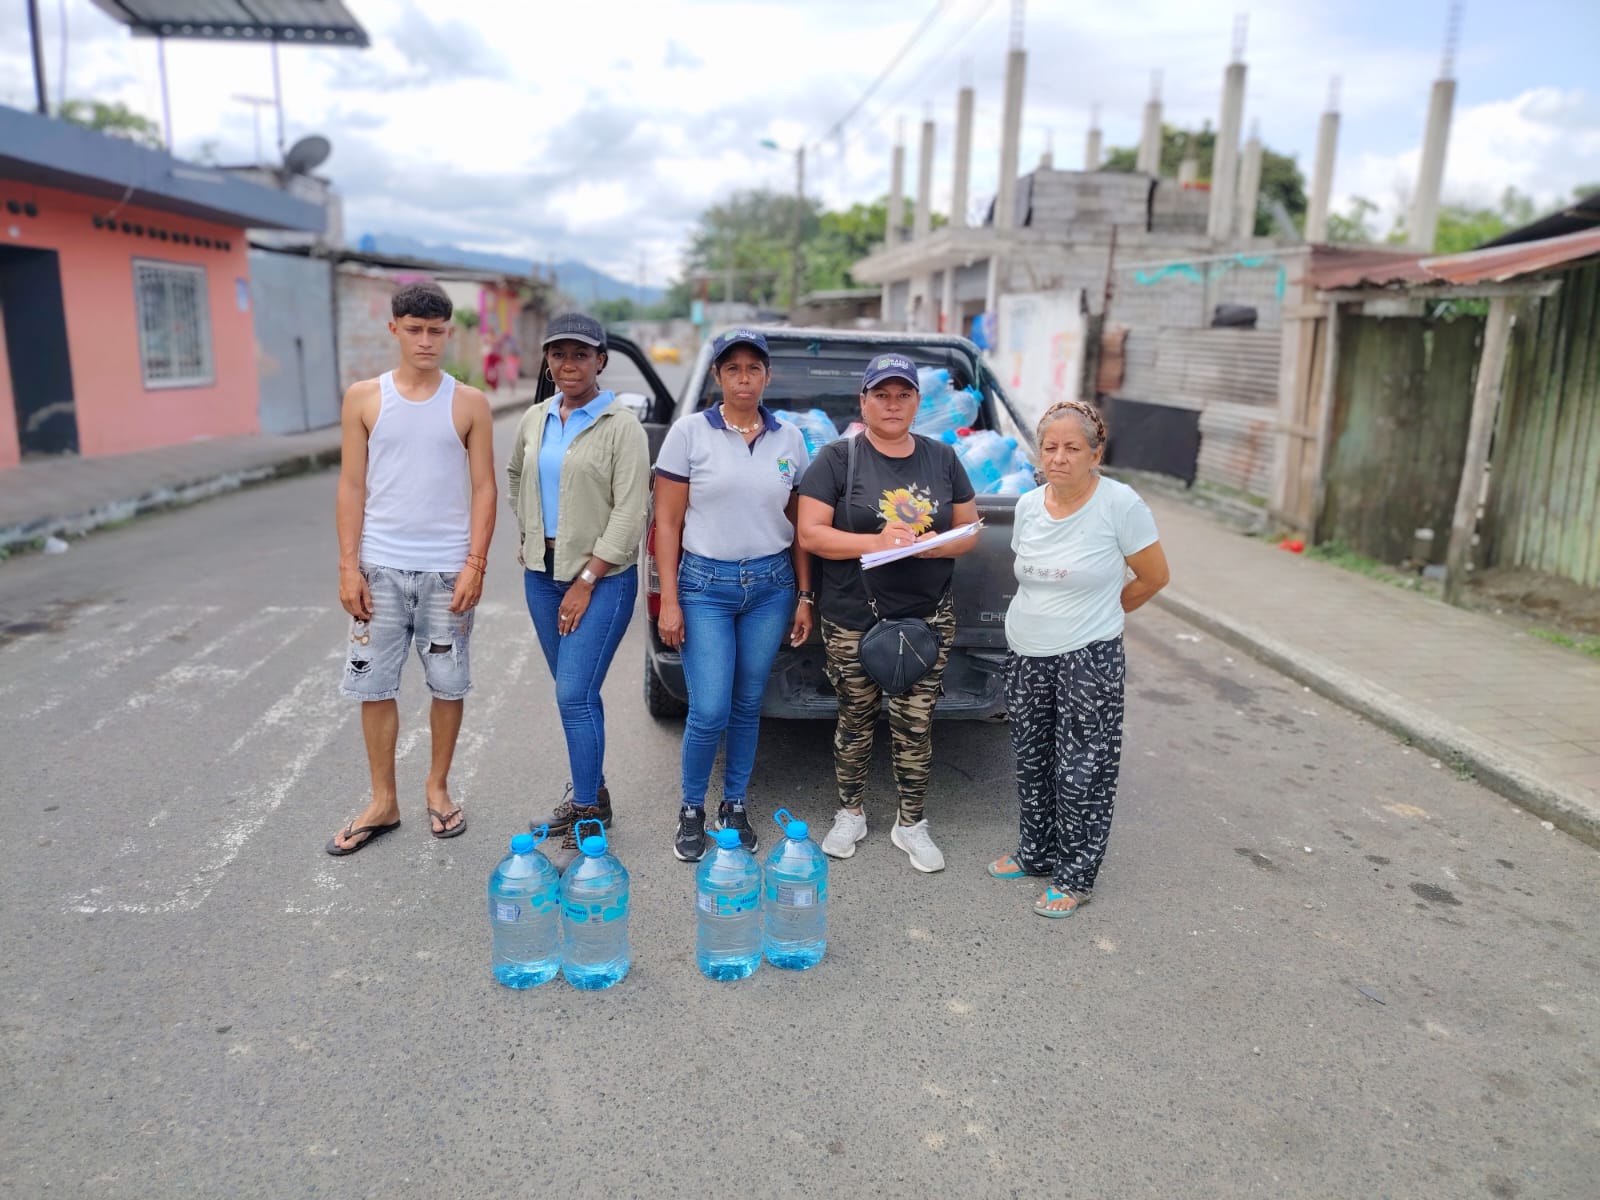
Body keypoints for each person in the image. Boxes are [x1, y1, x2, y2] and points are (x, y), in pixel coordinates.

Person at [328, 281, 496, 856]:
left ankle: (437, 788)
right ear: (394, 329)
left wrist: (475, 564)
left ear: (449, 333)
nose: (426, 341)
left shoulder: (469, 403)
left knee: (448, 684)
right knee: (373, 684)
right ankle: (383, 801)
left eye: (436, 331)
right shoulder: (363, 398)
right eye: (415, 329)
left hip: (447, 572)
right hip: (379, 569)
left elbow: (484, 487)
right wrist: (348, 566)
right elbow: (351, 485)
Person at [796, 352, 979, 873]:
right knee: (855, 720)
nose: (892, 404)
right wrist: (875, 542)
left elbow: (968, 532)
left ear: (918, 402)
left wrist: (931, 546)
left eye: (903, 394)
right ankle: (850, 813)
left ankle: (911, 823)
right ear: (864, 402)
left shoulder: (942, 458)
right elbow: (810, 534)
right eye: (882, 394)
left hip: (927, 618)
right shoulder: (838, 459)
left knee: (915, 724)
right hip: (854, 616)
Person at [987, 400, 1169, 917]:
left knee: (1083, 769)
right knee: (1031, 758)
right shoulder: (1028, 505)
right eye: (1050, 447)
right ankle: (1035, 853)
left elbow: (1154, 577)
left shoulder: (1120, 503)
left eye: (1072, 448)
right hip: (1027, 653)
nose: (1059, 457)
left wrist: (1101, 615)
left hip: (1088, 657)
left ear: (1095, 454)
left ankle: (1074, 876)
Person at [653, 329, 814, 862]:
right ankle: (691, 808)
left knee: (747, 703)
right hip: (705, 587)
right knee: (709, 708)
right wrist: (670, 600)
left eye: (753, 369)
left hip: (771, 587)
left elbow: (799, 524)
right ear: (718, 376)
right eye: (732, 369)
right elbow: (667, 523)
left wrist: (804, 595)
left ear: (768, 376)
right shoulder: (689, 433)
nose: (743, 379)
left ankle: (734, 804)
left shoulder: (790, 440)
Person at [507, 313, 650, 864]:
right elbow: (516, 474)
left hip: (603, 580)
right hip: (541, 575)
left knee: (573, 695)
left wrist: (587, 579)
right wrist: (528, 530)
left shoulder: (621, 426)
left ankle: (588, 817)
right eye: (559, 354)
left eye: (581, 354)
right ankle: (594, 794)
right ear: (547, 360)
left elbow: (630, 511)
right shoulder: (536, 417)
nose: (569, 364)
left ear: (600, 361)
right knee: (578, 696)